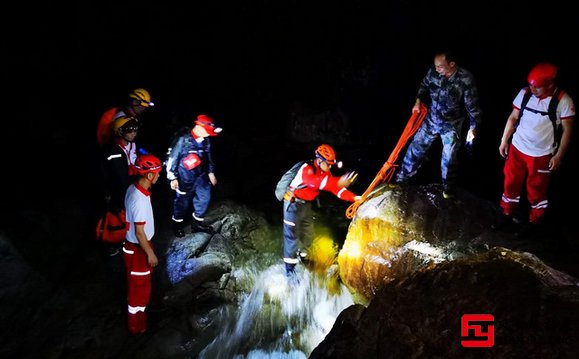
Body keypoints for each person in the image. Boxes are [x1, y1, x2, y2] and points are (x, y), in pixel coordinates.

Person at [492, 63, 575, 237]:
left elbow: (568, 130)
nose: (532, 89)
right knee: (510, 181)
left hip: (541, 154)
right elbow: (513, 117)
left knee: (536, 188)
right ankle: (507, 212)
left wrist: (559, 155)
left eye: (537, 87)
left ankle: (535, 220)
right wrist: (504, 140)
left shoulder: (563, 101)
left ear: (550, 85)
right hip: (518, 147)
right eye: (531, 85)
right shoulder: (525, 94)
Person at [394, 51, 482, 198]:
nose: (436, 69)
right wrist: (418, 101)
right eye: (435, 66)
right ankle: (400, 180)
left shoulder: (465, 79)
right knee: (415, 149)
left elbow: (472, 107)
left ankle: (448, 190)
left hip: (451, 125)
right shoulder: (434, 73)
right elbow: (424, 85)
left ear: (452, 64)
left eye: (440, 66)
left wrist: (473, 127)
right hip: (431, 120)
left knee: (449, 159)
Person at [281, 144, 361, 276]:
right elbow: (316, 182)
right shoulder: (307, 169)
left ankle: (303, 258)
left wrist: (355, 197)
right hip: (292, 204)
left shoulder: (325, 172)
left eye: (331, 165)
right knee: (291, 237)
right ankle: (290, 271)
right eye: (328, 164)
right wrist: (338, 181)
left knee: (308, 234)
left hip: (306, 205)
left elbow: (336, 189)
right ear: (319, 161)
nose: (330, 167)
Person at [122, 153, 162, 335]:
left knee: (140, 284)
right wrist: (150, 253)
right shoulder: (139, 200)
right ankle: (137, 325)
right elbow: (139, 233)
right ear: (149, 175)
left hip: (139, 246)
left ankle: (141, 314)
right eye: (157, 172)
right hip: (138, 249)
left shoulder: (134, 188)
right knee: (139, 288)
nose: (159, 175)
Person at [165, 114, 222, 237]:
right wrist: (173, 178)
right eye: (208, 131)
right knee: (182, 203)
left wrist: (211, 172)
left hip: (201, 176)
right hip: (184, 177)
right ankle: (177, 226)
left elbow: (209, 157)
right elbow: (171, 159)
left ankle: (197, 224)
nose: (209, 134)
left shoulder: (206, 141)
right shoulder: (183, 140)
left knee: (204, 198)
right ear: (199, 127)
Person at [100, 116, 140, 256]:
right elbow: (110, 176)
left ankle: (127, 240)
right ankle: (115, 244)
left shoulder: (131, 146)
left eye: (135, 129)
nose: (133, 133)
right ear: (119, 131)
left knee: (130, 217)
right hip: (118, 193)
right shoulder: (113, 152)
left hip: (129, 187)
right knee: (118, 219)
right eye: (129, 130)